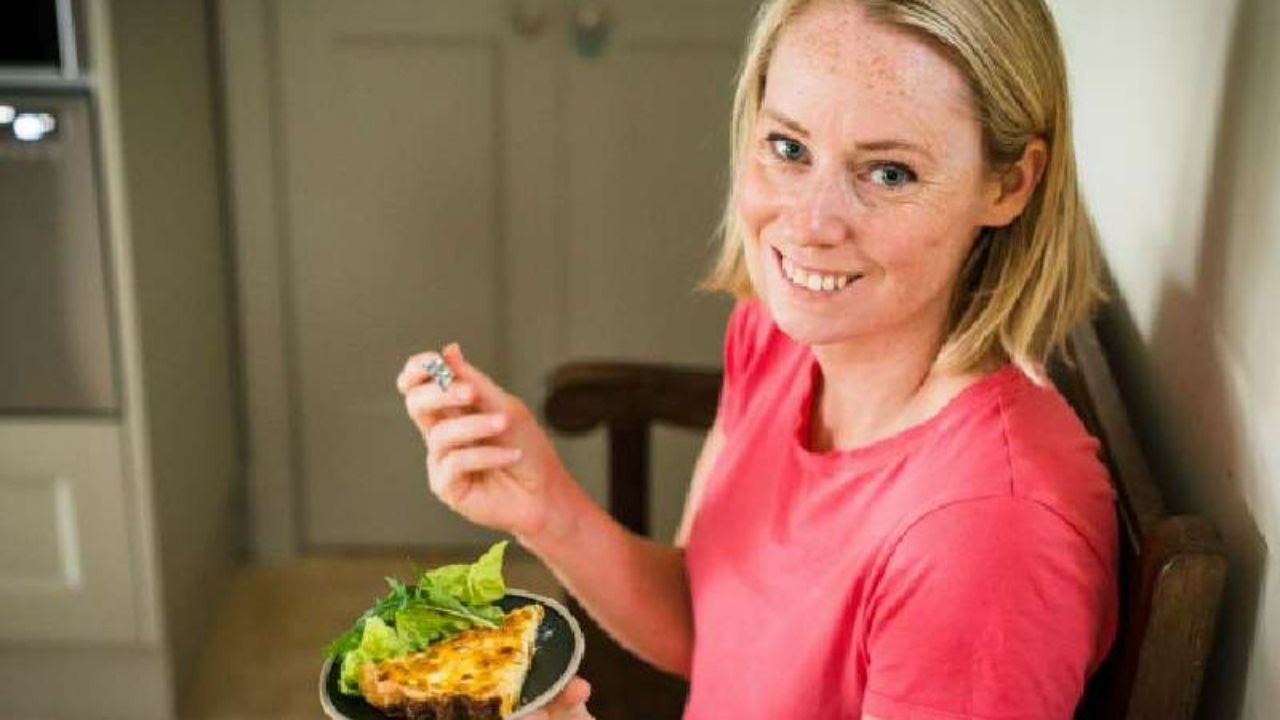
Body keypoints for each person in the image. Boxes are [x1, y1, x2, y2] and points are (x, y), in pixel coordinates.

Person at [396, 0, 1118, 717]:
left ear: (1009, 184)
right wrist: (544, 505)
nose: (810, 223)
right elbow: (705, 630)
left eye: (890, 173)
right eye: (789, 148)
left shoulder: (988, 536)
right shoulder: (781, 338)